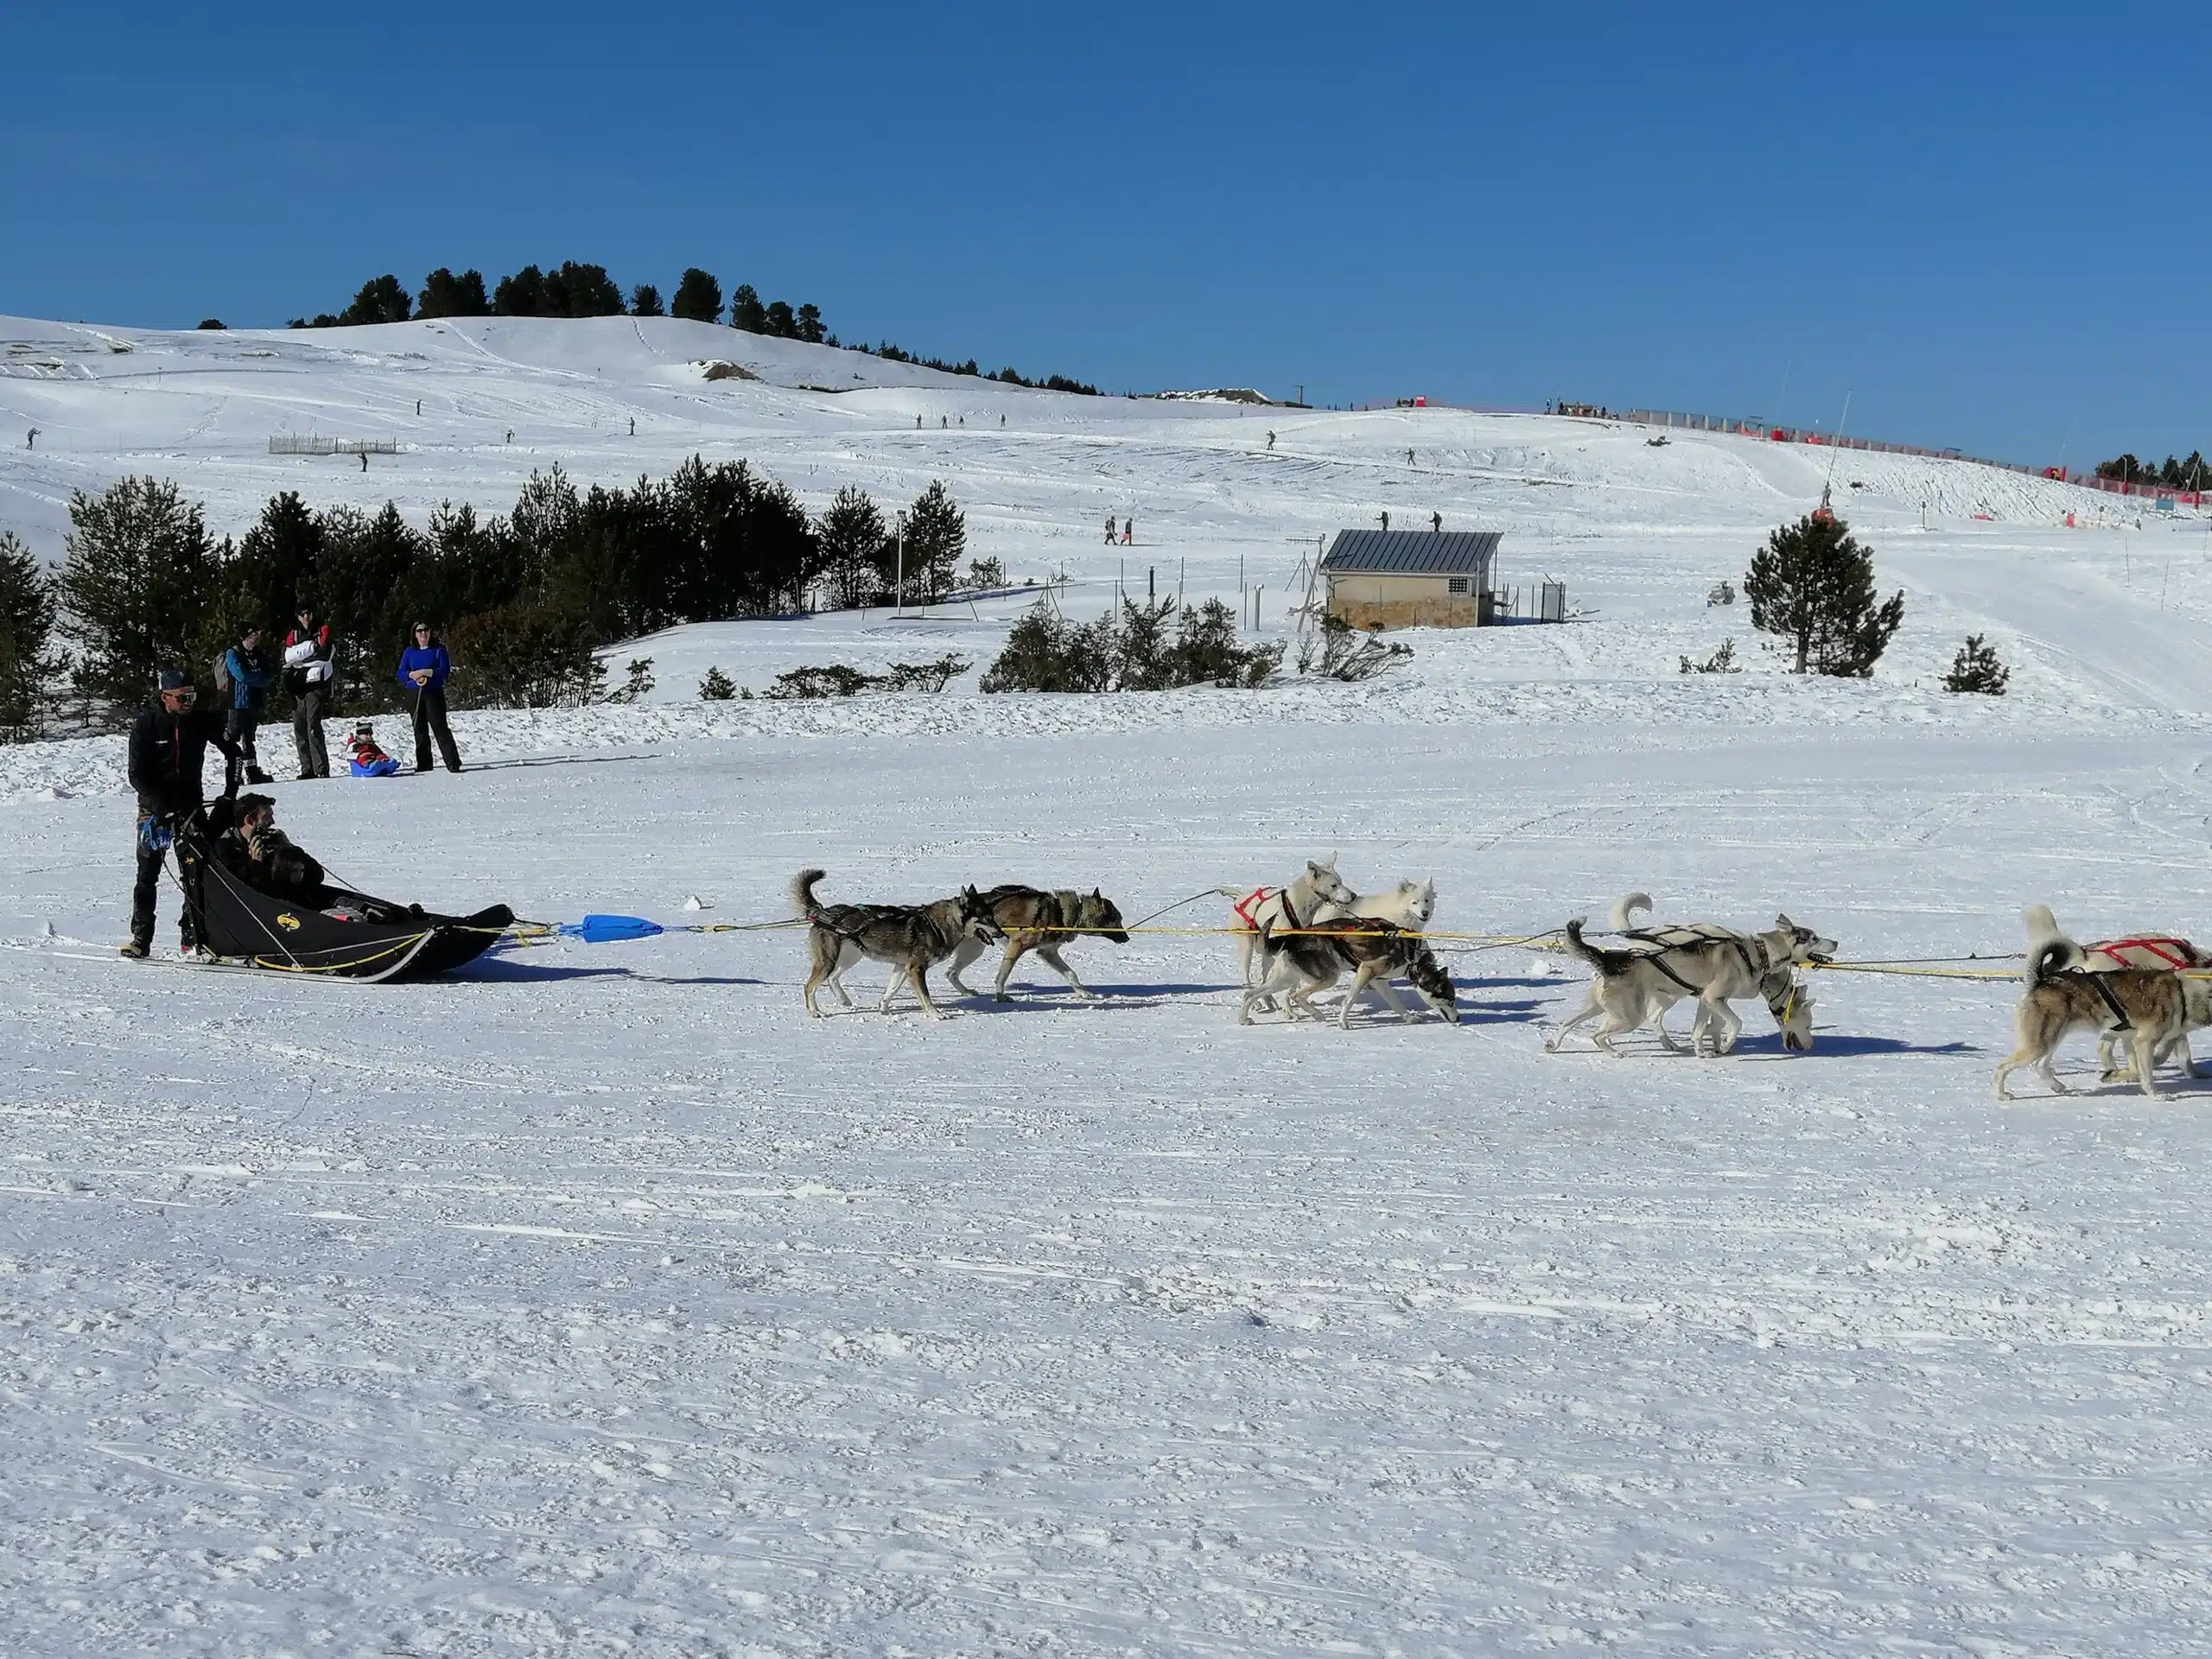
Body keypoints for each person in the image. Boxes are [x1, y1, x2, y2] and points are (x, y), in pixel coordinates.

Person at [123, 670, 239, 959]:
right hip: (155, 813)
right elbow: (136, 776)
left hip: (192, 808)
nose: (188, 702)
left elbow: (235, 754)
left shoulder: (201, 721)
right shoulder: (146, 726)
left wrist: (229, 794)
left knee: (198, 874)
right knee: (147, 875)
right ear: (165, 697)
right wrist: (161, 808)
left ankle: (194, 937)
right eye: (182, 697)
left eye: (192, 696)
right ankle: (141, 937)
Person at [214, 792, 328, 906]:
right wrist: (256, 863)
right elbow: (242, 892)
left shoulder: (272, 840)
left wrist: (291, 851)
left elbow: (317, 875)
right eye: (266, 817)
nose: (272, 822)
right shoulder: (226, 848)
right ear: (249, 820)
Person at [397, 622, 462, 773]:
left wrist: (425, 672)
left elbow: (444, 671)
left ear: (430, 632)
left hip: (433, 692)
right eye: (419, 631)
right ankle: (424, 764)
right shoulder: (409, 652)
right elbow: (401, 673)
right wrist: (411, 675)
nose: (423, 633)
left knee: (440, 727)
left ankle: (453, 762)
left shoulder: (438, 650)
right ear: (415, 634)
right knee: (419, 729)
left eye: (426, 630)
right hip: (414, 693)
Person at [283, 606, 335, 779]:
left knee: (313, 724)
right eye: (302, 614)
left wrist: (299, 660)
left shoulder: (323, 630)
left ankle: (321, 768)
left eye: (308, 613)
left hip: (316, 683)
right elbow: (284, 657)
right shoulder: (294, 634)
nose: (306, 616)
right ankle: (307, 769)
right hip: (297, 685)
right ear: (298, 616)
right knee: (299, 726)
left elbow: (325, 654)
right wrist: (298, 660)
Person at [220, 624, 274, 786]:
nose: (257, 638)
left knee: (249, 738)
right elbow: (240, 675)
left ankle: (252, 772)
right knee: (233, 737)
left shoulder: (259, 653)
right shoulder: (233, 652)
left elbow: (268, 675)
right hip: (237, 702)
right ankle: (233, 773)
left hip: (253, 700)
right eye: (253, 635)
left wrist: (255, 676)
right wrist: (257, 676)